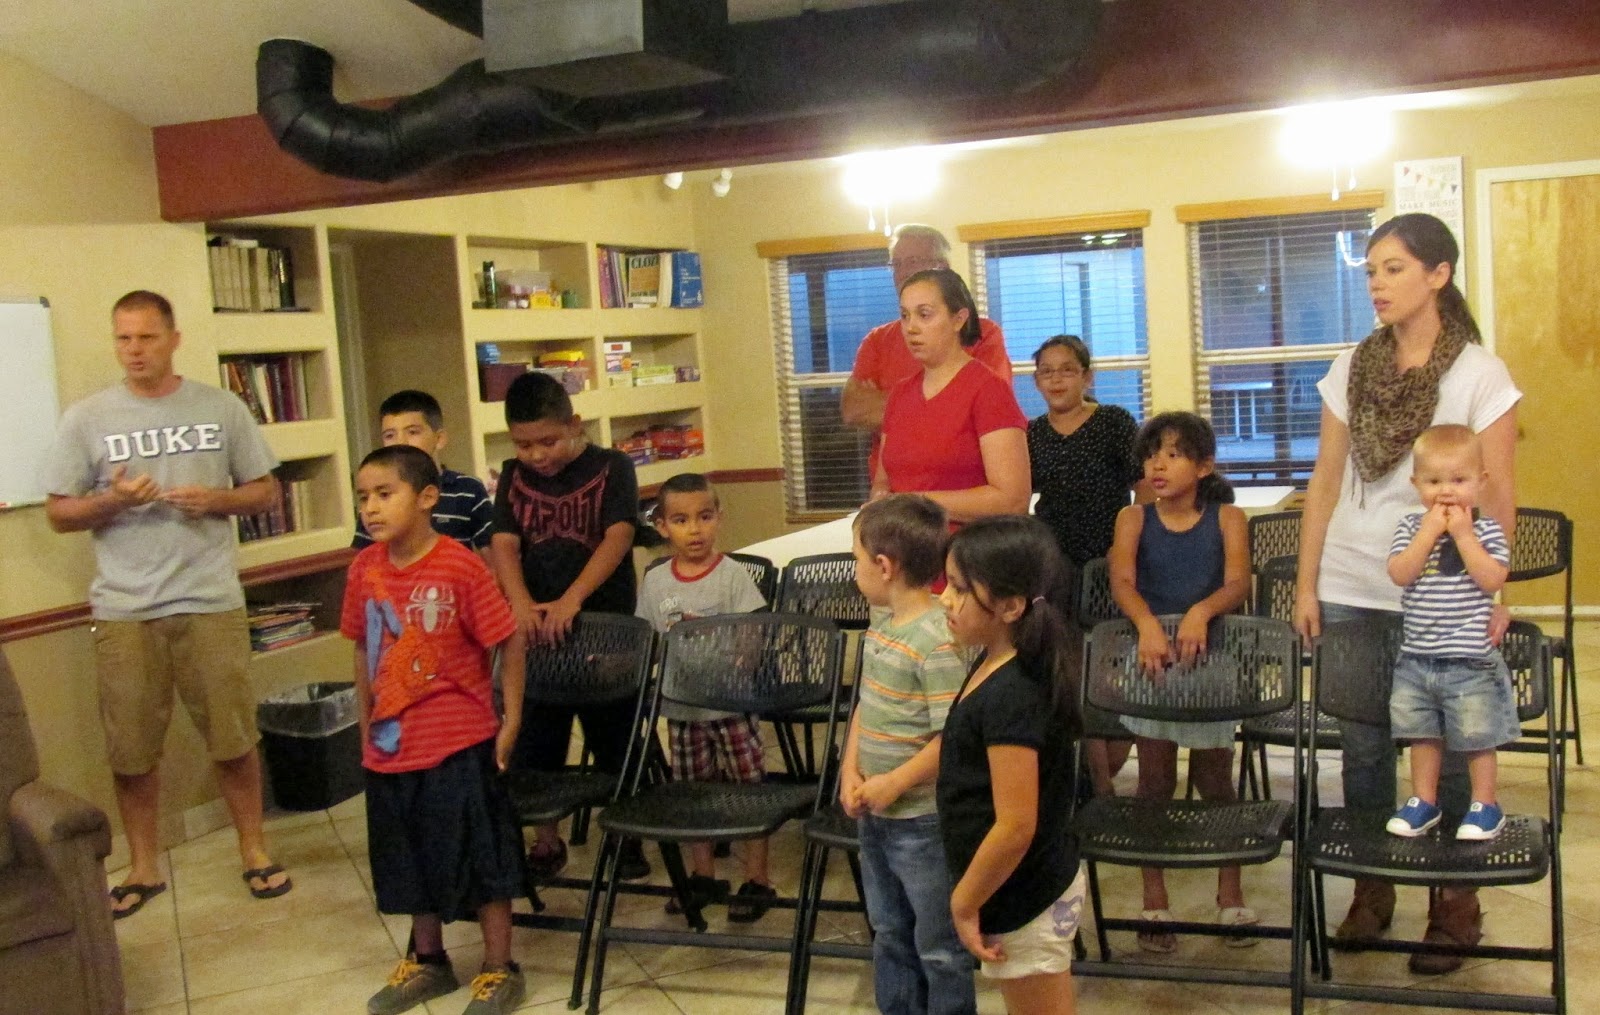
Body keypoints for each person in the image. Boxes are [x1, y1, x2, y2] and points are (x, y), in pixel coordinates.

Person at [1292, 212, 1520, 972]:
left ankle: (1454, 905)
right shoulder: (1350, 366)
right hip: (1355, 579)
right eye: (1371, 271)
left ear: (1438, 274)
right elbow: (1325, 481)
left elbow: (1499, 493)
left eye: (1393, 268)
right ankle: (1373, 886)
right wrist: (1306, 582)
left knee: (1451, 749)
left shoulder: (1479, 373)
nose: (1377, 284)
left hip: (1447, 591)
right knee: (1362, 750)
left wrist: (1497, 591)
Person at [42, 290, 292, 918]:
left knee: (233, 737)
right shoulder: (87, 418)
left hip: (209, 600)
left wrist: (216, 500)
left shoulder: (221, 407)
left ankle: (254, 850)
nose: (134, 350)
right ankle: (144, 865)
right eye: (123, 338)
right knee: (131, 750)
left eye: (147, 338)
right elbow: (59, 513)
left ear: (174, 339)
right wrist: (114, 501)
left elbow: (264, 491)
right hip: (126, 609)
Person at [342, 445, 529, 1015]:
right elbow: (362, 648)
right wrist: (365, 721)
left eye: (385, 494)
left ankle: (499, 967)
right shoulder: (364, 568)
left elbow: (508, 639)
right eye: (363, 497)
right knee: (408, 859)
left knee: (482, 857)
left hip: (458, 742)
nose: (371, 508)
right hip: (391, 745)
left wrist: (511, 720)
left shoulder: (459, 565)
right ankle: (429, 961)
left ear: (426, 498)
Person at [488, 371, 649, 881]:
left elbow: (618, 537)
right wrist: (519, 602)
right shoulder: (512, 476)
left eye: (548, 441)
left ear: (575, 424)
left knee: (614, 736)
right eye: (524, 445)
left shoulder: (613, 466)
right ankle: (546, 838)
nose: (537, 455)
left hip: (604, 626)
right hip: (537, 630)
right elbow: (504, 543)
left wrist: (572, 599)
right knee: (538, 739)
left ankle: (628, 834)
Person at [1107, 412, 1253, 953]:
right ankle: (1154, 901)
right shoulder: (1133, 518)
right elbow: (1123, 582)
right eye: (1152, 455)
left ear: (1204, 466)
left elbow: (1237, 582)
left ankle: (1230, 897)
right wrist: (1148, 625)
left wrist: (1201, 612)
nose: (1158, 465)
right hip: (1153, 658)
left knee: (1216, 782)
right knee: (1154, 782)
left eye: (1173, 454)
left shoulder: (1228, 517)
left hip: (1209, 657)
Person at [936, 515, 1082, 1015]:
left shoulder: (1013, 694)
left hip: (1025, 891)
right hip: (1008, 885)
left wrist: (964, 902)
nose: (944, 599)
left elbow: (1016, 824)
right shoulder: (992, 660)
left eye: (959, 589)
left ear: (1011, 606)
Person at [842, 494, 975, 1015]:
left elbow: (953, 739)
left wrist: (895, 782)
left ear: (883, 566)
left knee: (938, 946)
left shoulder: (937, 640)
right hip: (873, 813)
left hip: (921, 822)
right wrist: (850, 772)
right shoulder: (883, 622)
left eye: (855, 558)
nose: (854, 569)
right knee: (888, 931)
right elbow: (866, 705)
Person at [635, 473, 776, 922]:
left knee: (747, 790)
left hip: (730, 706)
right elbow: (648, 638)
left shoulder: (732, 575)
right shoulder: (656, 582)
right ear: (662, 526)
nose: (694, 529)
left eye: (704, 517)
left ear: (719, 518)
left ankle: (756, 878)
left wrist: (745, 656)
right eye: (681, 520)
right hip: (682, 709)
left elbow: (754, 630)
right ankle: (703, 874)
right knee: (693, 795)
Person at [1384, 425, 1518, 841]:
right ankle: (1424, 800)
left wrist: (1462, 534)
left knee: (1477, 735)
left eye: (1459, 480)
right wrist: (1428, 532)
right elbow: (1400, 573)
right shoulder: (1410, 527)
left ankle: (1486, 804)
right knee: (1421, 733)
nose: (1446, 491)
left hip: (1469, 660)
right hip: (1417, 657)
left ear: (1480, 482)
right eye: (1434, 481)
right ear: (1415, 484)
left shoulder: (1487, 531)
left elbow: (1492, 579)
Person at [1027, 334, 1145, 796]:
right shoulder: (1031, 433)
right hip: (1053, 566)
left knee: (1116, 669)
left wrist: (1126, 545)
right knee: (1072, 674)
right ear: (1036, 382)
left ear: (1087, 377)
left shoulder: (1114, 422)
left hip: (1110, 562)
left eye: (1067, 370)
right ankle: (1097, 783)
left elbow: (1143, 487)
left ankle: (1112, 770)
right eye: (1046, 372)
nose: (1056, 379)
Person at [841, 224, 1013, 481]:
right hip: (895, 491)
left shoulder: (982, 333)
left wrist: (890, 408)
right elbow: (854, 410)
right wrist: (944, 410)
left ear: (942, 267)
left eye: (912, 261)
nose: (902, 272)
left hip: (967, 488)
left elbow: (987, 411)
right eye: (896, 264)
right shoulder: (877, 340)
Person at [873, 268, 1030, 523]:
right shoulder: (900, 394)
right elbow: (883, 482)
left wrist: (915, 503)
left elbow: (1012, 501)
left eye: (924, 315)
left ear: (958, 320)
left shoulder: (989, 390)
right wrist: (879, 500)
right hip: (903, 543)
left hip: (966, 545)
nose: (911, 328)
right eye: (905, 316)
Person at [352, 389, 494, 561]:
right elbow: (361, 559)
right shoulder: (375, 498)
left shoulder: (467, 489)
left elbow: (492, 554)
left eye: (413, 432)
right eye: (390, 435)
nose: (401, 442)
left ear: (439, 439)